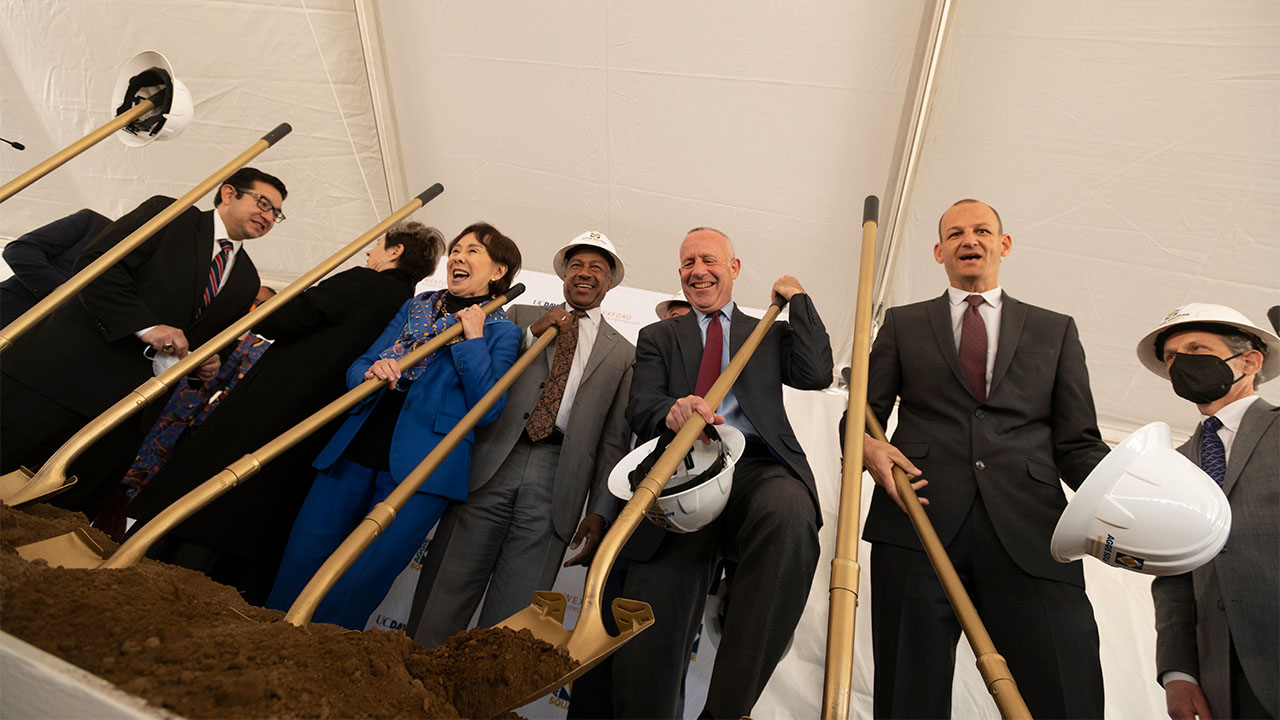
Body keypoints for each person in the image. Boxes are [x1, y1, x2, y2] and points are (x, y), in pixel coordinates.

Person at [861, 199, 1109, 719]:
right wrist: (865, 446)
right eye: (954, 234)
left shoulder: (1054, 329)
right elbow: (863, 415)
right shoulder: (904, 324)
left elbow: (1078, 442)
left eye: (981, 231)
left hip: (1033, 528)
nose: (968, 240)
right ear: (939, 251)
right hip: (916, 521)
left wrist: (1127, 493)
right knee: (907, 695)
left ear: (1004, 244)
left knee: (1065, 687)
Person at [120, 222, 446, 605]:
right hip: (322, 424)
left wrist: (271, 303)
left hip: (276, 403)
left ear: (395, 252)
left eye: (377, 245)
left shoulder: (363, 282)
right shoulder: (408, 309)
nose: (369, 253)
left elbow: (287, 317)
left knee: (217, 490)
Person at [612, 226, 832, 719]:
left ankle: (728, 711)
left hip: (755, 467)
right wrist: (671, 410)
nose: (698, 271)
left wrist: (799, 300)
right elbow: (641, 405)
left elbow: (817, 372)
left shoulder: (767, 332)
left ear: (733, 269)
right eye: (688, 263)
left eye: (708, 260)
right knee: (651, 633)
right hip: (679, 475)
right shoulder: (659, 336)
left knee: (790, 515)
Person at [265, 223, 522, 630]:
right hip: (354, 447)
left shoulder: (502, 331)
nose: (458, 257)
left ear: (498, 272)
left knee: (359, 581)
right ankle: (263, 645)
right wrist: (372, 372)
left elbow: (488, 410)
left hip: (421, 470)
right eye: (455, 249)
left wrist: (471, 340)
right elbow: (358, 366)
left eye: (472, 251)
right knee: (302, 560)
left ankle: (317, 668)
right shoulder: (414, 306)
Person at [0, 167, 287, 517]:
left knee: (48, 516)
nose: (268, 216)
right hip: (59, 379)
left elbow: (214, 342)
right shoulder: (169, 216)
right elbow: (99, 267)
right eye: (263, 202)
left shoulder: (246, 278)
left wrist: (208, 365)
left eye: (276, 212)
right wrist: (146, 326)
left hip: (123, 415)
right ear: (228, 193)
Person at [406, 231, 634, 646]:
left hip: (558, 481)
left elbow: (614, 441)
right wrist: (532, 334)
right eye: (577, 266)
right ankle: (412, 689)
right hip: (492, 463)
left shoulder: (624, 353)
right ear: (564, 275)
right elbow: (483, 377)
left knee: (511, 621)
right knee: (444, 593)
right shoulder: (517, 316)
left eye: (596, 268)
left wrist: (600, 510)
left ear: (610, 281)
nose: (584, 274)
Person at [1138, 303, 1278, 720]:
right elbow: (1173, 579)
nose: (1181, 364)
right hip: (1223, 683)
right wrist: (1179, 674)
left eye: (1197, 349)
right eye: (1171, 358)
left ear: (1250, 361)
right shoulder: (1171, 465)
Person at [0, 208, 112, 326]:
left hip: (63, 334)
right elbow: (19, 250)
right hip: (12, 307)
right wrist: (61, 291)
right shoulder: (93, 223)